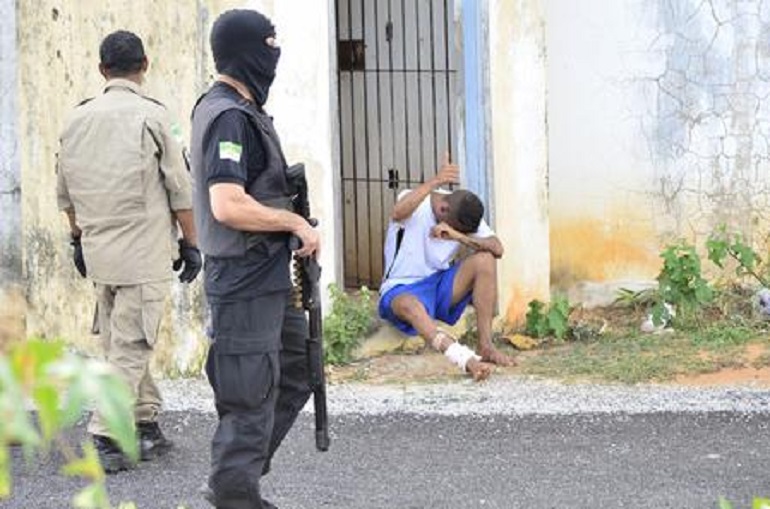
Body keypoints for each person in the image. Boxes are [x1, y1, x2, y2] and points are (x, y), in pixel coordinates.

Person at [189, 9, 320, 509]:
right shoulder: (227, 114)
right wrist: (293, 223)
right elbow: (227, 203)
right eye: (268, 43)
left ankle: (234, 480)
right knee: (248, 395)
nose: (275, 53)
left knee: (296, 368)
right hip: (242, 280)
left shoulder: (241, 110)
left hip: (263, 279)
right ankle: (234, 493)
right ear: (245, 50)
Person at [56, 30, 201, 472]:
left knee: (122, 343)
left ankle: (143, 423)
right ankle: (103, 434)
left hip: (99, 252)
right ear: (145, 65)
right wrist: (191, 245)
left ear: (103, 70)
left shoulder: (76, 120)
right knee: (133, 344)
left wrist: (79, 240)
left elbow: (66, 193)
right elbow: (180, 189)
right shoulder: (153, 116)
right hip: (143, 253)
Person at [379, 155, 515, 381]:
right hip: (401, 288)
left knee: (485, 260)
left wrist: (459, 236)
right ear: (443, 209)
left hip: (439, 285)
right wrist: (436, 181)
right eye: (456, 227)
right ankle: (463, 359)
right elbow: (397, 212)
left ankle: (486, 346)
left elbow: (497, 248)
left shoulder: (462, 214)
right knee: (409, 305)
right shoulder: (416, 200)